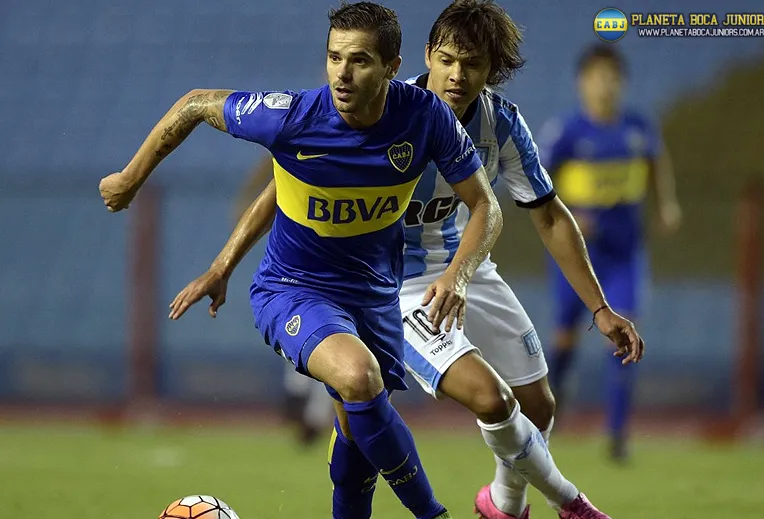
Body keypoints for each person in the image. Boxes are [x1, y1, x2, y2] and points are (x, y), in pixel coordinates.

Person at [235, 2, 644, 518]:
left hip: (464, 268)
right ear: (426, 56)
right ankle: (571, 503)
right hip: (391, 286)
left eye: (471, 64)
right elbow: (288, 186)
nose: (455, 75)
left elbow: (550, 216)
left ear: (491, 70)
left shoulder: (502, 124)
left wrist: (601, 308)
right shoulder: (382, 104)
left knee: (538, 407)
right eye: (446, 60)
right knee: (487, 399)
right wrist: (227, 261)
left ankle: (502, 505)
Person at [98, 3, 505, 519]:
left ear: (393, 67)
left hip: (375, 297)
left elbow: (486, 207)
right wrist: (131, 179)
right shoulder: (290, 117)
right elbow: (196, 103)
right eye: (334, 57)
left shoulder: (426, 118)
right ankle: (433, 514)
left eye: (359, 60)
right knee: (358, 378)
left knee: (357, 443)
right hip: (294, 288)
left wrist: (459, 275)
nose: (342, 73)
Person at [539, 43, 682, 462]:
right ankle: (554, 404)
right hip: (577, 254)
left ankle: (618, 435)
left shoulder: (637, 127)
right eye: (598, 76)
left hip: (624, 252)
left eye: (613, 77)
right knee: (564, 337)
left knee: (623, 336)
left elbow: (658, 163)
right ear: (581, 82)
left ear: (622, 82)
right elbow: (535, 183)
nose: (606, 85)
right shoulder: (565, 131)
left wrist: (667, 203)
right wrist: (568, 212)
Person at [236, 155, 334, 448]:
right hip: (302, 247)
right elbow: (270, 163)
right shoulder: (301, 137)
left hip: (333, 247)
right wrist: (246, 199)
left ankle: (308, 406)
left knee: (325, 329)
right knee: (311, 325)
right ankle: (304, 402)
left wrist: (245, 198)